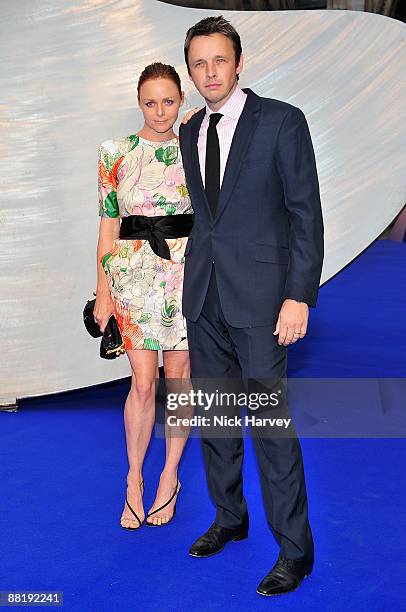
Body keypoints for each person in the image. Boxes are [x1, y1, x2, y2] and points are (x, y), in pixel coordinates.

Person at [179, 16, 324, 596]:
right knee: (214, 420)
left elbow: (304, 214)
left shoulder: (282, 122)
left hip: (265, 302)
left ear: (240, 63)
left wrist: (298, 296)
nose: (210, 73)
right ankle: (229, 518)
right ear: (190, 71)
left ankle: (296, 551)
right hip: (205, 298)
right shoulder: (191, 132)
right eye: (199, 64)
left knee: (268, 425)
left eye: (219, 61)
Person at [94, 63, 193, 529]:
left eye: (168, 101)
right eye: (150, 102)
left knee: (178, 380)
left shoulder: (195, 148)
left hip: (187, 276)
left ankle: (169, 477)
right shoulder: (115, 152)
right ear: (139, 101)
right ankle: (133, 478)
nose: (160, 111)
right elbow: (109, 223)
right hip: (133, 278)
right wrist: (103, 292)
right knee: (143, 382)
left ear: (181, 100)